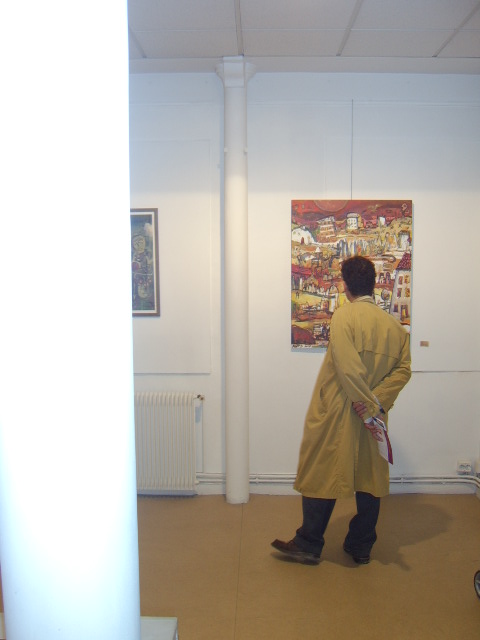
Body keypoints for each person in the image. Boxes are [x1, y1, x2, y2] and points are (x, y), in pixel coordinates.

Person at [272, 255, 411, 565]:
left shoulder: (344, 317)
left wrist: (366, 405)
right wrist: (375, 404)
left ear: (346, 286)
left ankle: (309, 542)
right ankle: (361, 546)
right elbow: (403, 371)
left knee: (321, 470)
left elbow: (349, 369)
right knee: (370, 478)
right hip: (372, 415)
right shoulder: (395, 328)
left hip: (339, 410)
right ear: (372, 284)